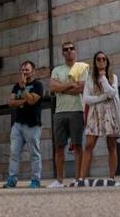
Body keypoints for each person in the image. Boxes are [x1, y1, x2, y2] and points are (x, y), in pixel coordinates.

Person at [78, 51, 120, 187]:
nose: (101, 61)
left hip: (110, 113)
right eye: (98, 59)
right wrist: (102, 97)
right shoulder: (90, 79)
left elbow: (112, 93)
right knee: (89, 145)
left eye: (104, 59)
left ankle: (111, 177)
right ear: (95, 62)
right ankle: (81, 178)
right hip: (95, 114)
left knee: (111, 146)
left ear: (107, 61)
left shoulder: (112, 77)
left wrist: (103, 79)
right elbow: (86, 99)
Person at [48, 40, 88, 187]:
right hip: (60, 112)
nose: (69, 51)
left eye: (71, 48)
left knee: (77, 146)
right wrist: (71, 84)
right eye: (66, 49)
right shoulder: (57, 70)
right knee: (59, 147)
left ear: (75, 51)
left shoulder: (83, 68)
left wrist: (62, 87)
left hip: (77, 110)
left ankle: (78, 179)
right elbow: (52, 87)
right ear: (63, 53)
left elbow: (82, 87)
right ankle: (59, 180)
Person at [4, 60, 44, 188]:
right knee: (14, 153)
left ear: (33, 71)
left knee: (34, 154)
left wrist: (22, 90)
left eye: (26, 70)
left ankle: (35, 180)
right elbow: (10, 102)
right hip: (18, 124)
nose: (24, 72)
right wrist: (23, 100)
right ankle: (12, 179)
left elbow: (32, 101)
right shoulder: (16, 85)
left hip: (32, 125)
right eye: (22, 70)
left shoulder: (38, 85)